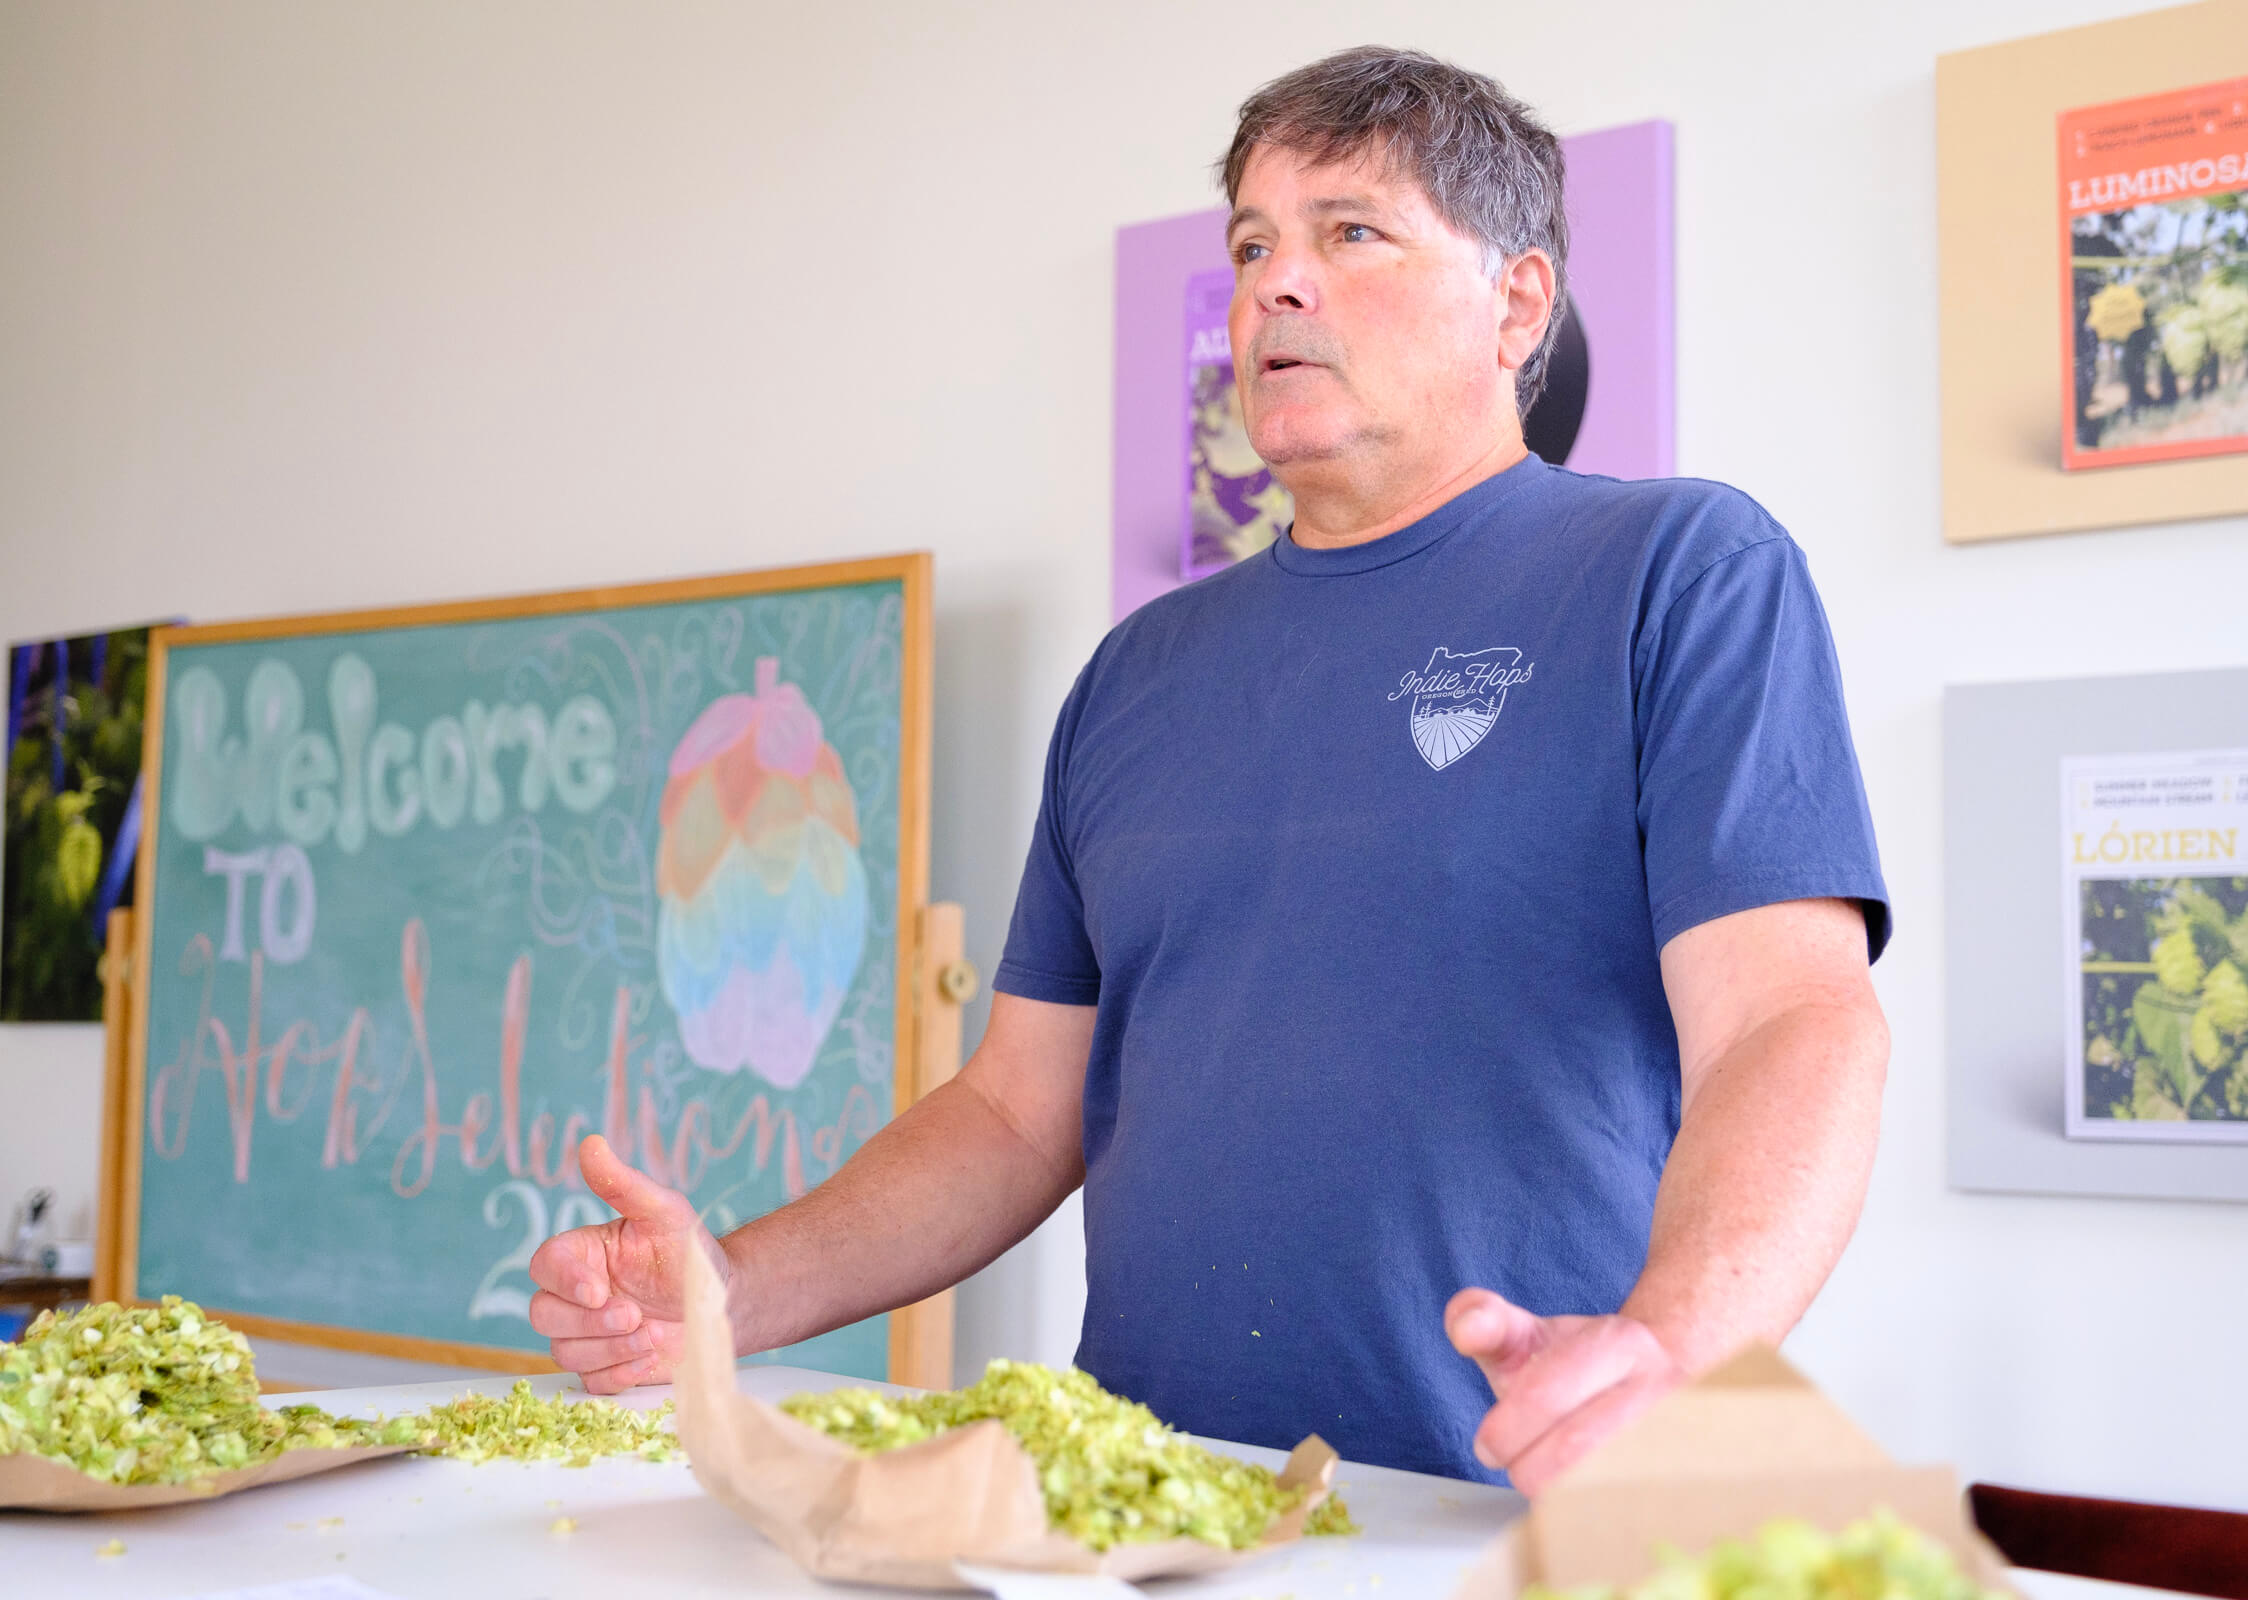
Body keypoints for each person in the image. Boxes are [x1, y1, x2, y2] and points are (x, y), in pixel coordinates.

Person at [529, 45, 1891, 1495]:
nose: (1273, 287)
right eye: (1252, 243)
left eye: (1349, 231)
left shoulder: (1679, 572)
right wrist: (737, 1290)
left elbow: (1791, 1023)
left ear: (1518, 301)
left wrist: (1674, 1347)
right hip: (1136, 1514)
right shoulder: (1137, 673)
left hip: (1500, 1515)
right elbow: (1011, 1112)